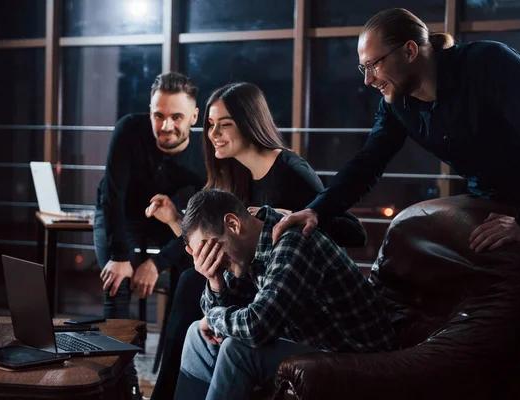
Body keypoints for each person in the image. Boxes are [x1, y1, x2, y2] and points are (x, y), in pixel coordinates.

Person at [273, 7, 520, 253]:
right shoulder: (396, 105)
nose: (368, 80)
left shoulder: (490, 63)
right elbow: (366, 165)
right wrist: (316, 210)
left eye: (373, 65)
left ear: (410, 51)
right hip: (489, 204)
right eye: (363, 69)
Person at [148, 82, 367, 399]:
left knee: (190, 284)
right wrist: (174, 222)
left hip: (296, 287)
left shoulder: (290, 170)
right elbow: (216, 240)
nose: (214, 134)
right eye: (210, 125)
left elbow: (353, 231)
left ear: (250, 122)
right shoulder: (232, 174)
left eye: (225, 124)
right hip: (256, 284)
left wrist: (289, 215)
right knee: (196, 285)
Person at [174, 189, 396, 400]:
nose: (211, 260)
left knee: (238, 350)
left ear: (233, 224)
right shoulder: (247, 247)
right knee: (197, 335)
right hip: (318, 351)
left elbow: (257, 327)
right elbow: (218, 320)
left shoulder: (292, 241)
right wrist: (214, 281)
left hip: (361, 362)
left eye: (211, 250)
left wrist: (212, 316)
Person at [93, 72, 207, 398]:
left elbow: (195, 227)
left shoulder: (205, 155)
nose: (166, 125)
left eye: (177, 117)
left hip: (170, 220)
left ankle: (172, 385)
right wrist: (121, 256)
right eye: (158, 115)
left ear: (195, 117)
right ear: (150, 111)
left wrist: (157, 264)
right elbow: (113, 196)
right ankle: (123, 388)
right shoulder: (129, 129)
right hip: (122, 215)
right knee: (116, 284)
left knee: (192, 277)